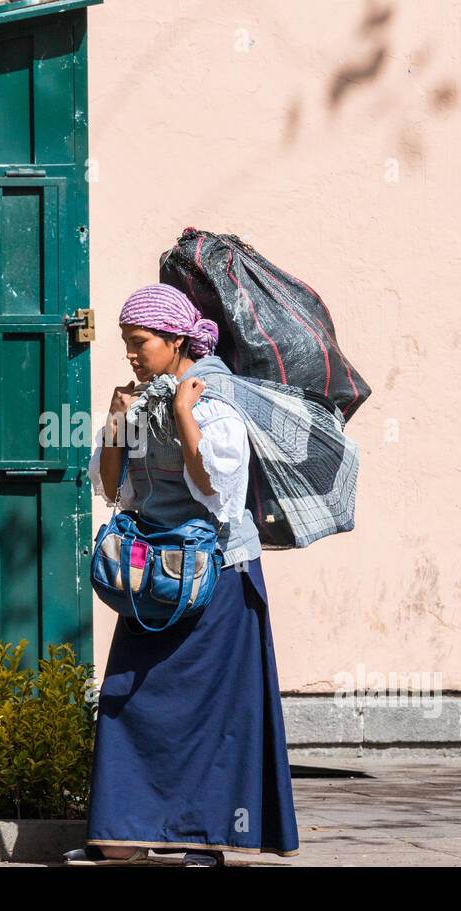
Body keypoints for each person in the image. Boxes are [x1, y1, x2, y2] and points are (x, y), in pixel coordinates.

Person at [64, 283, 300, 867]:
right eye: (125, 342)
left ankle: (205, 840)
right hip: (152, 581)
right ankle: (122, 834)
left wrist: (183, 415)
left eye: (139, 342)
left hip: (217, 580)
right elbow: (113, 488)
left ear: (174, 340)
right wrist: (119, 424)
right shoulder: (137, 402)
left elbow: (217, 490)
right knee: (129, 701)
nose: (130, 354)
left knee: (211, 717)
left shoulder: (216, 401)